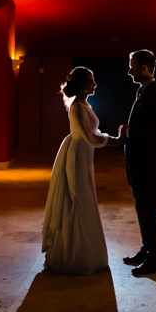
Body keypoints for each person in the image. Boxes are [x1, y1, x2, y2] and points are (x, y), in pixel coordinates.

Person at [41, 66, 117, 275]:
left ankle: (84, 252)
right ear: (82, 84)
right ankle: (74, 256)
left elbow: (93, 132)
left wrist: (107, 138)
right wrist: (113, 142)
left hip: (85, 155)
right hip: (77, 157)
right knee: (78, 200)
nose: (94, 84)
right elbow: (90, 136)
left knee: (85, 198)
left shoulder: (85, 104)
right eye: (91, 81)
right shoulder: (76, 107)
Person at [116, 49, 156, 276]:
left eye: (133, 67)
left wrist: (128, 131)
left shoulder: (154, 94)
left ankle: (155, 258)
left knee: (148, 210)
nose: (129, 71)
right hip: (138, 164)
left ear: (144, 68)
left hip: (147, 165)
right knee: (142, 208)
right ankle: (147, 250)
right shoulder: (143, 91)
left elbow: (153, 132)